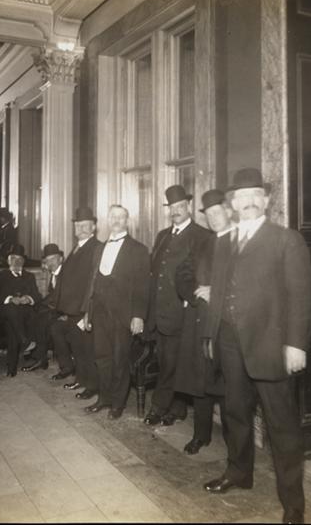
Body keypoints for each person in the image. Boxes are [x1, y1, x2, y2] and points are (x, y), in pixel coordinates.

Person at [202, 168, 311, 525]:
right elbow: (218, 294)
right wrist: (211, 335)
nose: (249, 201)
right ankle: (239, 473)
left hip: (271, 345)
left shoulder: (286, 240)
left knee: (281, 426)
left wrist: (296, 345)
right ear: (232, 204)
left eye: (256, 195)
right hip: (229, 343)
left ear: (266, 200)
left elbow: (302, 296)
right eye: (242, 196)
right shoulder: (224, 241)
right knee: (235, 413)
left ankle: (293, 504)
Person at [144, 185, 211, 427]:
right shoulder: (162, 235)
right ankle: (178, 408)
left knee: (172, 364)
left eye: (180, 206)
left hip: (182, 313)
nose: (176, 211)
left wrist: (190, 297)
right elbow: (155, 273)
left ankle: (159, 407)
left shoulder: (201, 236)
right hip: (159, 313)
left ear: (189, 206)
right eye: (172, 207)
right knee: (167, 362)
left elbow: (202, 274)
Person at [174, 189, 232, 454]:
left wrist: (215, 292)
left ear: (228, 211)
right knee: (200, 382)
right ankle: (201, 435)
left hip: (227, 325)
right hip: (200, 321)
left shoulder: (241, 242)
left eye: (217, 212)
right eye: (209, 214)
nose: (214, 218)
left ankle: (234, 442)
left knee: (228, 385)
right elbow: (182, 273)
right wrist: (195, 295)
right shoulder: (204, 243)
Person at [82, 205, 149, 420]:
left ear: (127, 221)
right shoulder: (99, 248)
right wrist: (88, 312)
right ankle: (104, 398)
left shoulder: (138, 249)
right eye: (113, 217)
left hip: (123, 315)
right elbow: (92, 283)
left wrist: (138, 315)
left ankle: (118, 404)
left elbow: (142, 286)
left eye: (121, 217)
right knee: (102, 357)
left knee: (120, 360)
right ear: (108, 220)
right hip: (99, 313)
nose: (117, 220)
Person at [50, 207, 103, 400]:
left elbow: (94, 282)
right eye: (77, 225)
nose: (80, 228)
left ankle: (93, 385)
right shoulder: (75, 248)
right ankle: (81, 379)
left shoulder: (97, 248)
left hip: (85, 309)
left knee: (88, 349)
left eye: (85, 225)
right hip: (72, 310)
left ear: (93, 227)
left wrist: (87, 310)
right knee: (78, 348)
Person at [0, 244, 40, 376]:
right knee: (11, 310)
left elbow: (37, 296)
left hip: (22, 315)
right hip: (4, 312)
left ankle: (11, 368)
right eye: (13, 259)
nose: (16, 262)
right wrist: (10, 299)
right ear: (8, 261)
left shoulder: (29, 276)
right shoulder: (1, 275)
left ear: (23, 261)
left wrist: (28, 298)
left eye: (19, 259)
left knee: (13, 326)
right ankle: (25, 341)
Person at [22, 243, 64, 372]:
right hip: (57, 307)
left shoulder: (66, 273)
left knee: (42, 318)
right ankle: (39, 355)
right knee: (33, 313)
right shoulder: (54, 273)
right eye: (47, 260)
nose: (50, 263)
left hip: (66, 309)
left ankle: (39, 355)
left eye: (53, 259)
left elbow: (65, 296)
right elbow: (52, 295)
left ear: (60, 259)